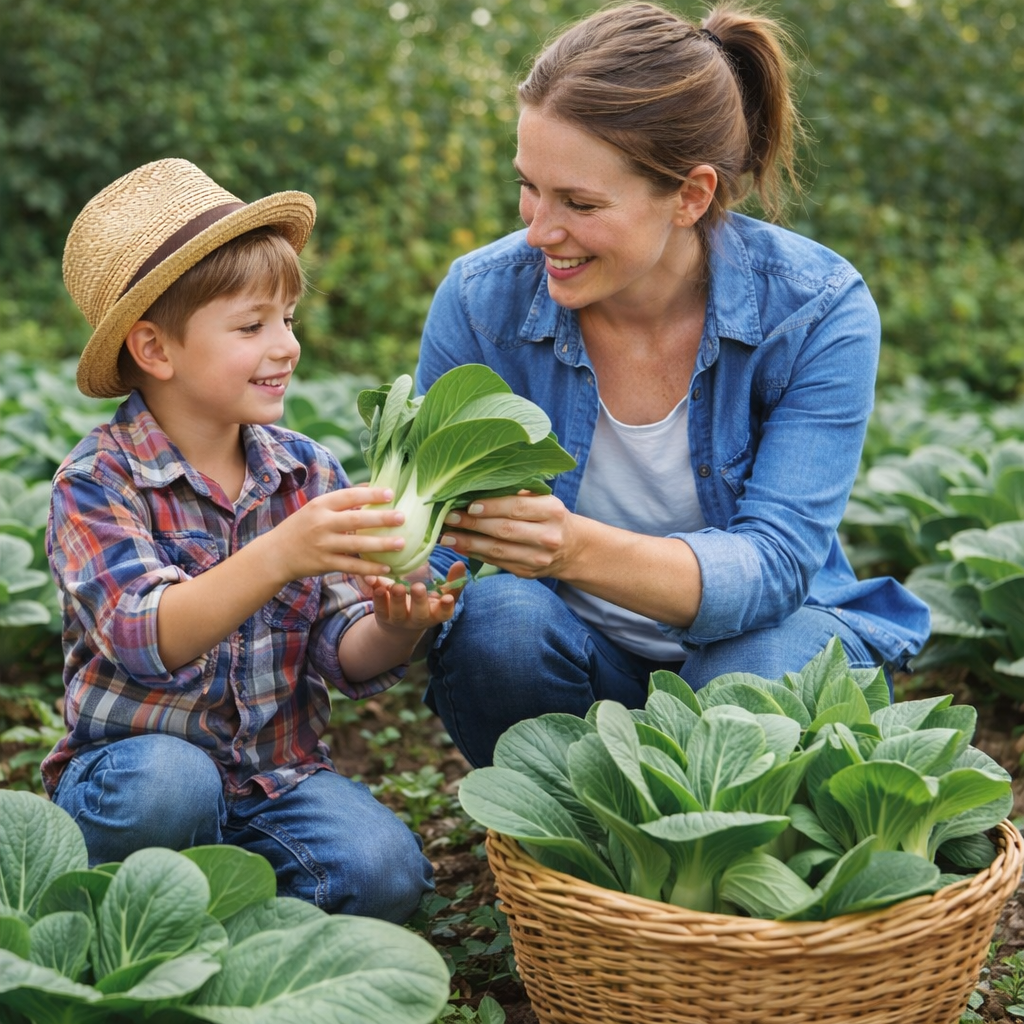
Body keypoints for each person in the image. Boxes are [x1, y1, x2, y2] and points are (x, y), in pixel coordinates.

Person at [416, 1, 931, 768]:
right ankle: (571, 816)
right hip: (584, 656)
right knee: (499, 625)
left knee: (747, 677)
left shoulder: (817, 310)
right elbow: (433, 540)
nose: (538, 230)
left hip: (766, 638)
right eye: (529, 186)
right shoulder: (479, 301)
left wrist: (569, 548)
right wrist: (386, 576)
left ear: (691, 194)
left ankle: (681, 816)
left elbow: (775, 568)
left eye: (580, 203)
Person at [44, 158, 464, 924]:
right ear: (155, 350)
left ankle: (215, 917)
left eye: (289, 320)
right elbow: (143, 637)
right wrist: (279, 554)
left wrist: (396, 624)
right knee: (171, 787)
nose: (286, 346)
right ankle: (127, 899)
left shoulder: (308, 471)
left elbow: (342, 648)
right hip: (139, 779)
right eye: (252, 326)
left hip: (275, 782)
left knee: (386, 871)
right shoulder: (97, 481)